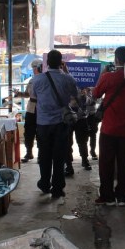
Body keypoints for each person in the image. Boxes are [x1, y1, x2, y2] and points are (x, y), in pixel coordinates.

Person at [92, 46, 125, 207]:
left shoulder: (108, 77)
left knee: (106, 163)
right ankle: (122, 197)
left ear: (116, 60)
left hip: (109, 128)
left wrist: (103, 74)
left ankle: (107, 196)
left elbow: (96, 94)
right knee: (124, 163)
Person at [31, 50, 78, 199]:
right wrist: (67, 72)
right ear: (61, 63)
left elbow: (34, 96)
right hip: (61, 123)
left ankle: (44, 184)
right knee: (59, 155)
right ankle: (57, 188)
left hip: (43, 123)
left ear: (46, 63)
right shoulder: (68, 79)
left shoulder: (38, 80)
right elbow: (75, 94)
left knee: (44, 154)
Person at [14, 59, 42, 163]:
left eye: (35, 67)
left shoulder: (44, 80)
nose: (34, 70)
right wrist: (18, 93)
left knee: (41, 132)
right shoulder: (31, 80)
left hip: (41, 108)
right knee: (29, 131)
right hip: (31, 108)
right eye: (33, 68)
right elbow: (27, 94)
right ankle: (29, 152)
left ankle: (41, 154)